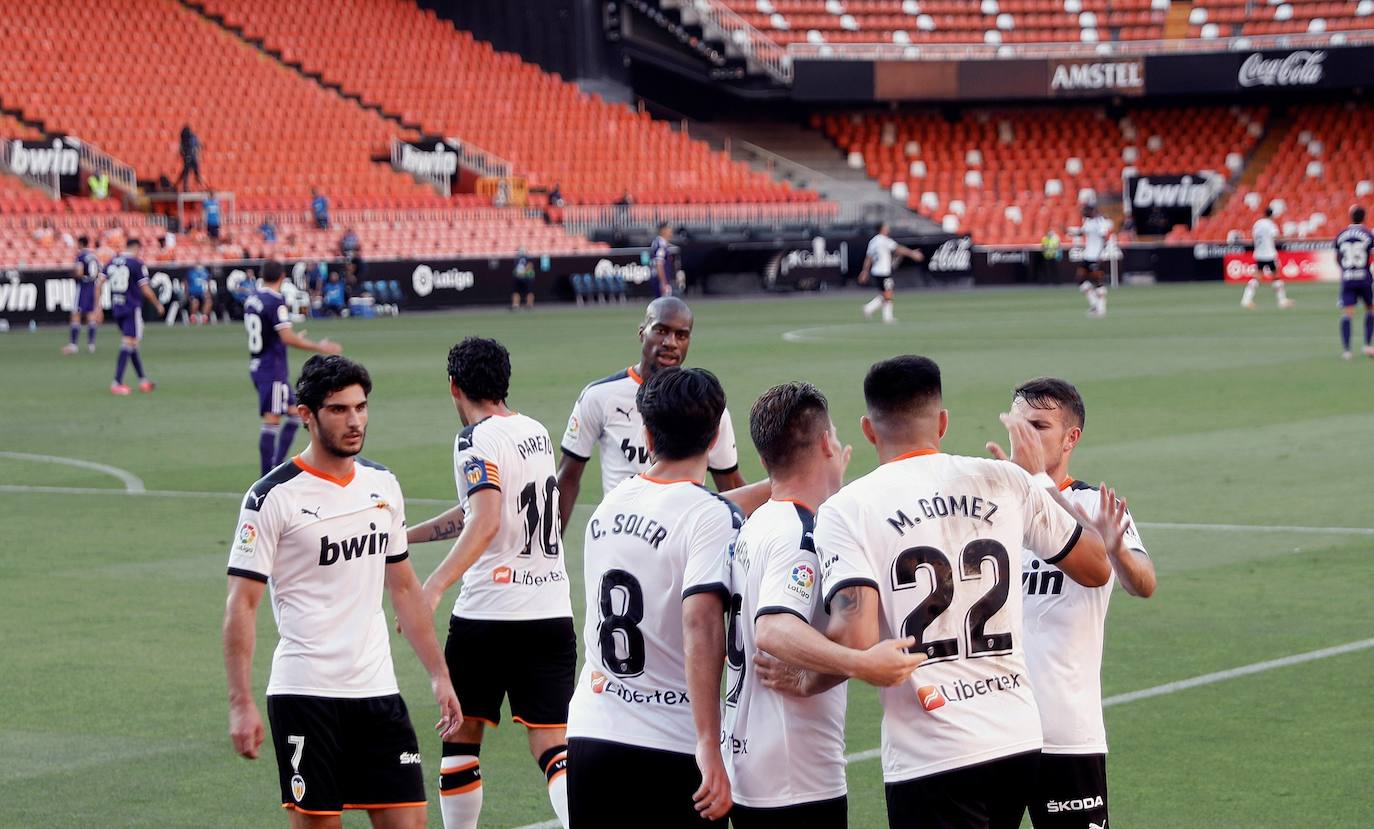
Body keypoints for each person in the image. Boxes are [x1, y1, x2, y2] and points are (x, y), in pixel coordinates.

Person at [814, 355, 1115, 829]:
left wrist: (800, 658)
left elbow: (855, 637)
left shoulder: (846, 509)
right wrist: (1035, 481)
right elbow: (1097, 568)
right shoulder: (1006, 480)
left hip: (932, 754)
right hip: (1016, 739)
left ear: (869, 430)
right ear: (943, 422)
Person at [222, 354, 463, 826]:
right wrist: (240, 702)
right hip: (306, 696)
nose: (355, 421)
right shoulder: (272, 497)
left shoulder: (383, 485)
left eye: (361, 407)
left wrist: (439, 674)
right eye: (338, 409)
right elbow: (242, 604)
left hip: (378, 692)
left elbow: (404, 587)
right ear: (306, 415)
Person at [723, 382, 925, 828]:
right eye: (833, 435)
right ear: (824, 444)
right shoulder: (803, 534)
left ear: (763, 459)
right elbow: (773, 628)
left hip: (752, 759)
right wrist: (861, 662)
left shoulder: (757, 525)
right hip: (795, 775)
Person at [565, 366, 740, 827]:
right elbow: (701, 623)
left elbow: (709, 510)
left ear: (646, 433)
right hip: (671, 743)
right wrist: (709, 741)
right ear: (717, 433)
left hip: (593, 733)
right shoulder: (709, 517)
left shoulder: (612, 503)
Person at [416, 337, 574, 829]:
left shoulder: (473, 440)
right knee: (553, 748)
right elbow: (480, 510)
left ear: (454, 387)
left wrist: (434, 586)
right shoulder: (536, 432)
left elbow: (483, 520)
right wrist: (404, 538)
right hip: (550, 611)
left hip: (489, 614)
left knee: (461, 739)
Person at [987, 378, 1155, 829]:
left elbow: (1144, 584)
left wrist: (1117, 550)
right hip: (992, 734)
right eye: (1018, 425)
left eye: (1039, 426)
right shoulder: (992, 508)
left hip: (1065, 735)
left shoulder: (1089, 506)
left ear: (1070, 437)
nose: (1025, 436)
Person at [556, 297, 747, 535]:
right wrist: (551, 549)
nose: (671, 343)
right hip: (619, 533)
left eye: (681, 335)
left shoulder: (707, 405)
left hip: (681, 538)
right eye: (661, 331)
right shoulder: (600, 396)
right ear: (642, 332)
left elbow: (729, 484)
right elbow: (567, 476)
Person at [244, 259, 342, 476]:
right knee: (272, 418)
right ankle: (267, 474)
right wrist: (319, 346)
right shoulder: (275, 301)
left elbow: (270, 335)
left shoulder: (252, 299)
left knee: (296, 414)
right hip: (272, 368)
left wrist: (288, 338)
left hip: (259, 364)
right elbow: (286, 337)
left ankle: (276, 466)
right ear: (282, 277)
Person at [107, 239, 164, 395]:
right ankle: (117, 382)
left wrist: (98, 306)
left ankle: (143, 380)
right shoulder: (136, 263)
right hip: (131, 307)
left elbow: (100, 282)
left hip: (117, 306)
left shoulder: (112, 260)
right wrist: (157, 304)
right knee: (129, 342)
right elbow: (145, 288)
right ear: (137, 248)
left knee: (132, 343)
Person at [859, 222, 923, 324]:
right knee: (888, 293)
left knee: (886, 293)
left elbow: (868, 258)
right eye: (886, 227)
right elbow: (898, 248)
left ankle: (869, 308)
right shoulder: (884, 240)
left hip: (876, 271)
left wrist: (864, 271)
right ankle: (886, 317)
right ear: (882, 229)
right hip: (883, 271)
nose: (888, 228)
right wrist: (912, 254)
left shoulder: (873, 241)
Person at [1335, 205, 1374, 360]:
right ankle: (1367, 345)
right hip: (1364, 278)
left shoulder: (1341, 235)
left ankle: (1347, 350)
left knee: (1347, 313)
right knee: (1370, 309)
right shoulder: (1368, 234)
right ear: (1364, 217)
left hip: (1348, 278)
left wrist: (1345, 271)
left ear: (1351, 216)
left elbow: (1337, 257)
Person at [1242, 207, 1293, 310]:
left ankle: (1246, 300)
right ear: (1272, 215)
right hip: (1269, 254)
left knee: (1257, 277)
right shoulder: (1270, 225)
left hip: (1259, 253)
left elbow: (1254, 237)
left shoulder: (1257, 223)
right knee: (1276, 276)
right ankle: (1282, 301)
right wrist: (1288, 237)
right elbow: (1276, 237)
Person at [63, 235, 102, 354]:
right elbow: (98, 272)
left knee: (76, 314)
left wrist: (73, 274)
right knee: (91, 315)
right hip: (92, 285)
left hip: (83, 287)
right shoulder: (94, 256)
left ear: (80, 244)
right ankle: (91, 345)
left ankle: (74, 345)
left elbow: (79, 272)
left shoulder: (81, 256)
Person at [1078, 207, 1112, 317]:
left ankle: (1101, 309)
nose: (1083, 213)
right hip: (1087, 256)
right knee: (1081, 281)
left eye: (1085, 212)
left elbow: (1104, 238)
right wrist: (1068, 231)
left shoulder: (1099, 222)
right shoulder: (1088, 221)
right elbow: (1082, 232)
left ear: (1092, 212)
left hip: (1096, 257)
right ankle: (1095, 305)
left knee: (1098, 282)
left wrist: (1101, 254)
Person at [176, 125, 206, 192]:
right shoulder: (191, 138)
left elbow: (182, 150)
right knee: (191, 172)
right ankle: (197, 186)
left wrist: (184, 155)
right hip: (192, 157)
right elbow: (199, 146)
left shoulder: (187, 138)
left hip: (190, 158)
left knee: (187, 173)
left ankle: (188, 187)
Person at [650, 222, 675, 297]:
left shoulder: (657, 242)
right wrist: (663, 282)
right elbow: (659, 264)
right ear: (663, 230)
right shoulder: (661, 244)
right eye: (669, 229)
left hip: (657, 278)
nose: (671, 232)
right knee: (663, 305)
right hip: (659, 280)